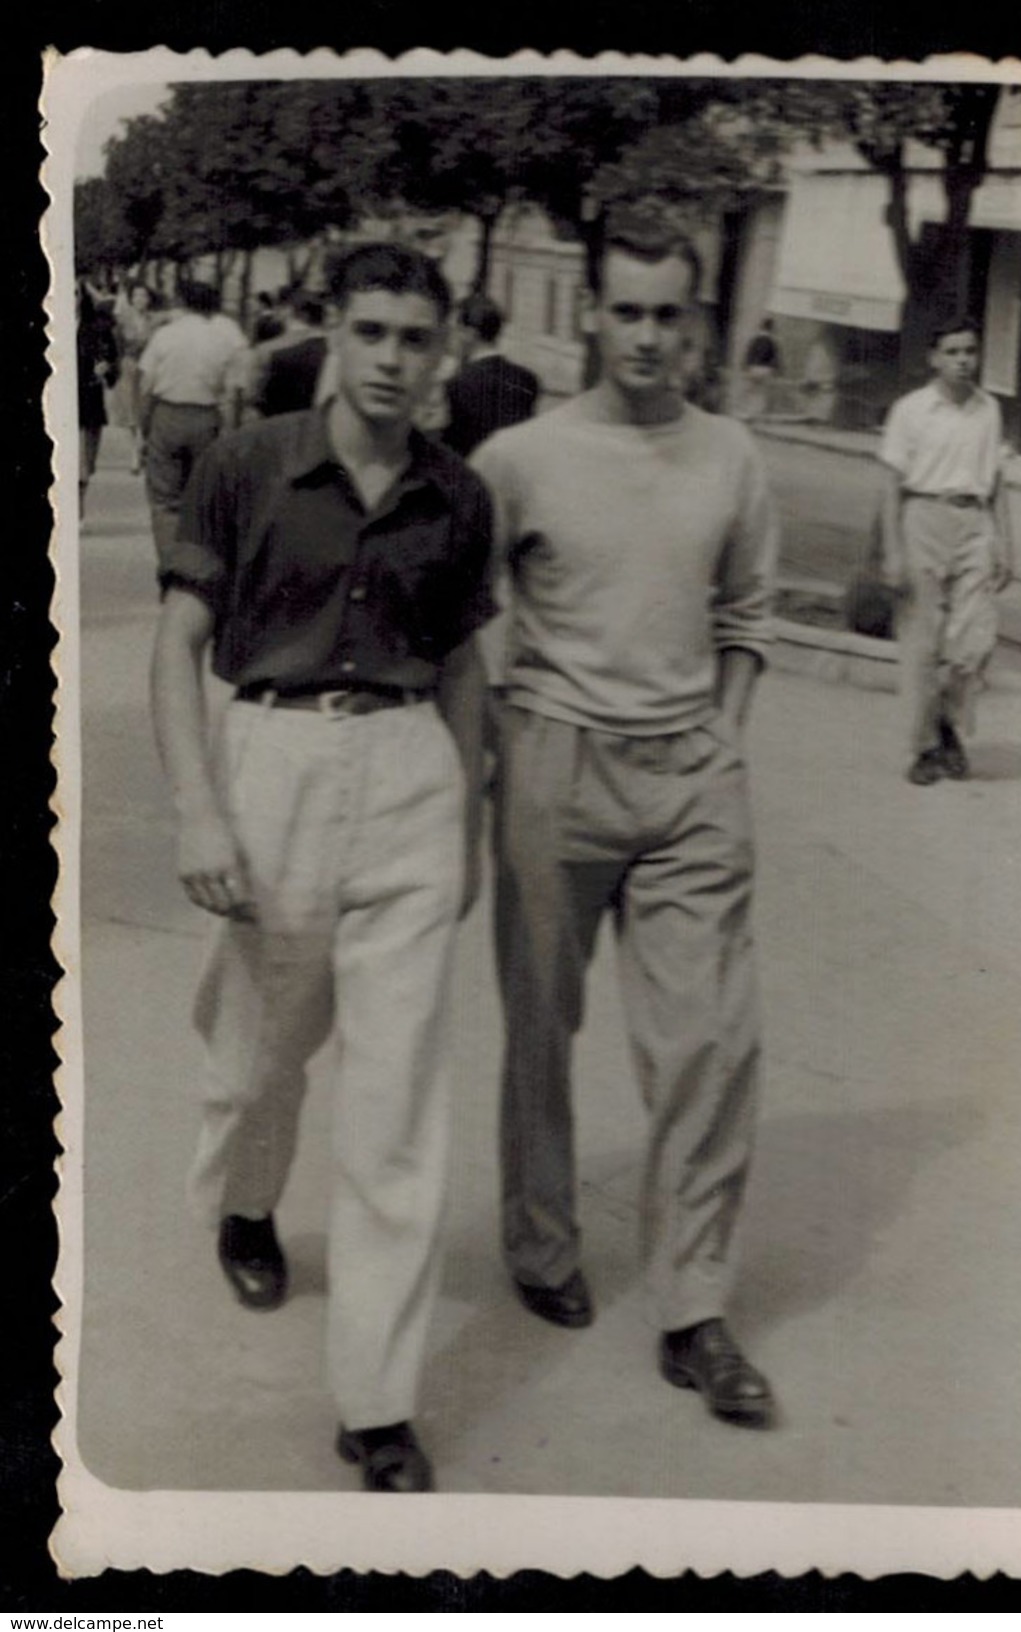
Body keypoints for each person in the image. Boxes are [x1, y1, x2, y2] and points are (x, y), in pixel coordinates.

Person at [149, 241, 494, 1493]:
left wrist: (462, 820)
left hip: (407, 772)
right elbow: (180, 644)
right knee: (256, 1060)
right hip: (272, 762)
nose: (395, 360)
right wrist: (198, 812)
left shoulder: (459, 495)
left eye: (417, 338)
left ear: (441, 350)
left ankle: (377, 1405)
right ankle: (249, 1203)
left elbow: (461, 664)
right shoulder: (248, 465)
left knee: (398, 1108)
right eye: (373, 333)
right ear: (333, 336)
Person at [472, 217, 779, 1428]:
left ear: (695, 322)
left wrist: (726, 735)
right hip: (556, 771)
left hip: (691, 779)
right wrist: (505, 735)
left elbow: (749, 614)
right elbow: (463, 607)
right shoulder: (519, 458)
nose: (650, 336)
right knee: (541, 1026)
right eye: (629, 311)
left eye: (671, 314)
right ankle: (542, 1245)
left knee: (710, 1039)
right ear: (592, 314)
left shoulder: (732, 456)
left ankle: (694, 1309)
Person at [879, 316, 1014, 785]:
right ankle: (925, 747)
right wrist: (891, 550)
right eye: (953, 352)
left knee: (972, 642)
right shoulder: (911, 411)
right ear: (934, 358)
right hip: (923, 517)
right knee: (921, 642)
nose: (963, 361)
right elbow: (889, 483)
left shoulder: (989, 410)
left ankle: (948, 724)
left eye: (970, 351)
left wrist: (1005, 542)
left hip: (974, 521)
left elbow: (997, 481)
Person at [138, 280, 250, 574]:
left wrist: (144, 425)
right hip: (206, 416)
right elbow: (233, 392)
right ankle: (199, 566)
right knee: (202, 495)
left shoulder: (165, 336)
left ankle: (170, 566)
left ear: (181, 302)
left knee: (164, 499)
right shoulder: (222, 339)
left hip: (167, 413)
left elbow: (146, 384)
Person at [442, 293, 539, 457]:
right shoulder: (527, 380)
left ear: (469, 334)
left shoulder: (456, 386)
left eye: (453, 330)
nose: (449, 337)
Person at [251, 289, 329, 419]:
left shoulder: (268, 350)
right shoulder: (334, 350)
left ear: (289, 311)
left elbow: (253, 396)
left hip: (275, 423)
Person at [76, 280, 119, 516]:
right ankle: (75, 507)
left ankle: (79, 496)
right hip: (58, 402)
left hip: (89, 399)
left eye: (75, 293)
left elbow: (113, 362)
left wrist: (106, 369)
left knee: (86, 464)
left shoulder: (98, 329)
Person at [111, 282, 159, 473]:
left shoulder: (154, 321)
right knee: (130, 410)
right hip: (129, 365)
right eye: (137, 295)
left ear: (149, 300)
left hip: (149, 367)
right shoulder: (123, 320)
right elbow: (117, 344)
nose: (140, 299)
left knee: (146, 409)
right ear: (131, 299)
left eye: (144, 296)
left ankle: (141, 447)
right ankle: (135, 453)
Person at [737, 318, 781, 421]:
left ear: (762, 327)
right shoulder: (772, 342)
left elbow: (748, 353)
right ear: (771, 329)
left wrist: (745, 366)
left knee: (749, 391)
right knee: (761, 394)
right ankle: (756, 414)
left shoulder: (755, 340)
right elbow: (776, 358)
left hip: (753, 368)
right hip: (766, 370)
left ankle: (745, 412)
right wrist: (776, 370)